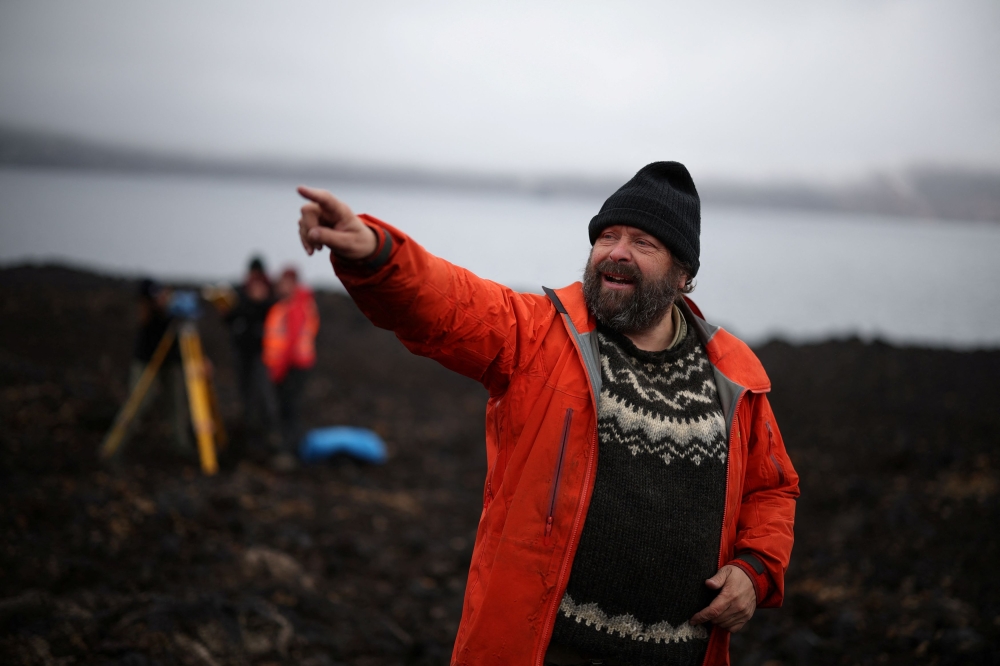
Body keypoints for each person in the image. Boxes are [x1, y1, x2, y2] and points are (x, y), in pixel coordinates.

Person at [295, 162, 799, 666]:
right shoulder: (538, 337)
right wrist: (376, 252)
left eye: (644, 243)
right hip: (547, 651)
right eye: (607, 236)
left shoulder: (733, 376)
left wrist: (755, 570)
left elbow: (771, 486)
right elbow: (449, 305)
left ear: (683, 274)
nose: (617, 251)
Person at [125, 278, 191, 454]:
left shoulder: (170, 315)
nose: (162, 299)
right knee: (138, 403)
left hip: (170, 363)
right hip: (147, 361)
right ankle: (118, 443)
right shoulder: (148, 319)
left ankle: (180, 445)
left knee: (176, 404)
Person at [262, 267, 319, 457]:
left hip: (292, 366)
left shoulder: (296, 306)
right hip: (293, 364)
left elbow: (292, 341)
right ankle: (292, 449)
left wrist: (279, 369)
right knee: (287, 408)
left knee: (289, 409)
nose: (280, 287)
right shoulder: (294, 304)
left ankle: (290, 451)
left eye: (284, 283)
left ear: (293, 284)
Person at [223, 256, 278, 447]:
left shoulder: (269, 296)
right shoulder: (242, 294)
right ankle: (249, 432)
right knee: (245, 392)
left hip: (261, 354)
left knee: (262, 394)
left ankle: (267, 433)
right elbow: (231, 320)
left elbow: (272, 318)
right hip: (242, 352)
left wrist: (259, 302)